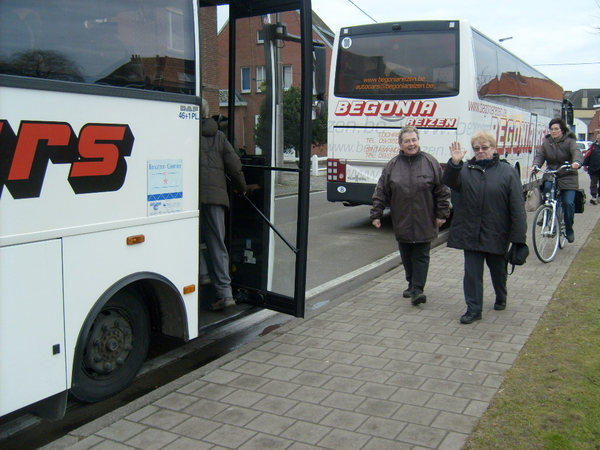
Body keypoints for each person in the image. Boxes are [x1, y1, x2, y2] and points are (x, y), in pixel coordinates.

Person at [443, 131, 527, 324]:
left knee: (497, 270)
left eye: (485, 148)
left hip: (496, 232)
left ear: (493, 148)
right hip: (470, 231)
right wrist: (454, 164)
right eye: (477, 148)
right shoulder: (465, 170)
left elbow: (517, 207)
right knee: (472, 273)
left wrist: (518, 239)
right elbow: (449, 182)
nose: (481, 151)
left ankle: (501, 295)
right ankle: (474, 309)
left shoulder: (507, 172)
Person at [370, 126, 451, 306]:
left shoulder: (430, 163)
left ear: (419, 141)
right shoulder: (392, 165)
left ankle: (418, 290)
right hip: (402, 219)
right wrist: (376, 213)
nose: (411, 144)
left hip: (425, 218)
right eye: (407, 141)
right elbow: (382, 190)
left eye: (414, 140)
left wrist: (442, 213)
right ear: (400, 144)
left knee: (421, 254)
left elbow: (442, 190)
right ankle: (411, 283)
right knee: (406, 254)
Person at [200, 99, 247, 311]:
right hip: (216, 197)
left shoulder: (185, 133)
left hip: (191, 197)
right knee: (217, 243)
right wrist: (241, 186)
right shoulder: (218, 136)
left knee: (189, 238)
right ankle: (225, 294)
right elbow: (234, 164)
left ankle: (202, 274)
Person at [532, 118, 582, 243]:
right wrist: (535, 166)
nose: (553, 131)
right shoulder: (547, 143)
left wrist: (576, 162)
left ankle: (569, 229)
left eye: (556, 129)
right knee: (547, 188)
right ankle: (547, 213)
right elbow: (540, 156)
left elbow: (577, 153)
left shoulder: (570, 142)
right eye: (551, 129)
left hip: (568, 175)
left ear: (562, 130)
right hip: (552, 174)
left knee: (568, 203)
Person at [582, 139, 600, 205]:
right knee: (594, 182)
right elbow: (587, 155)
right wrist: (585, 165)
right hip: (594, 168)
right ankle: (594, 197)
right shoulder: (593, 146)